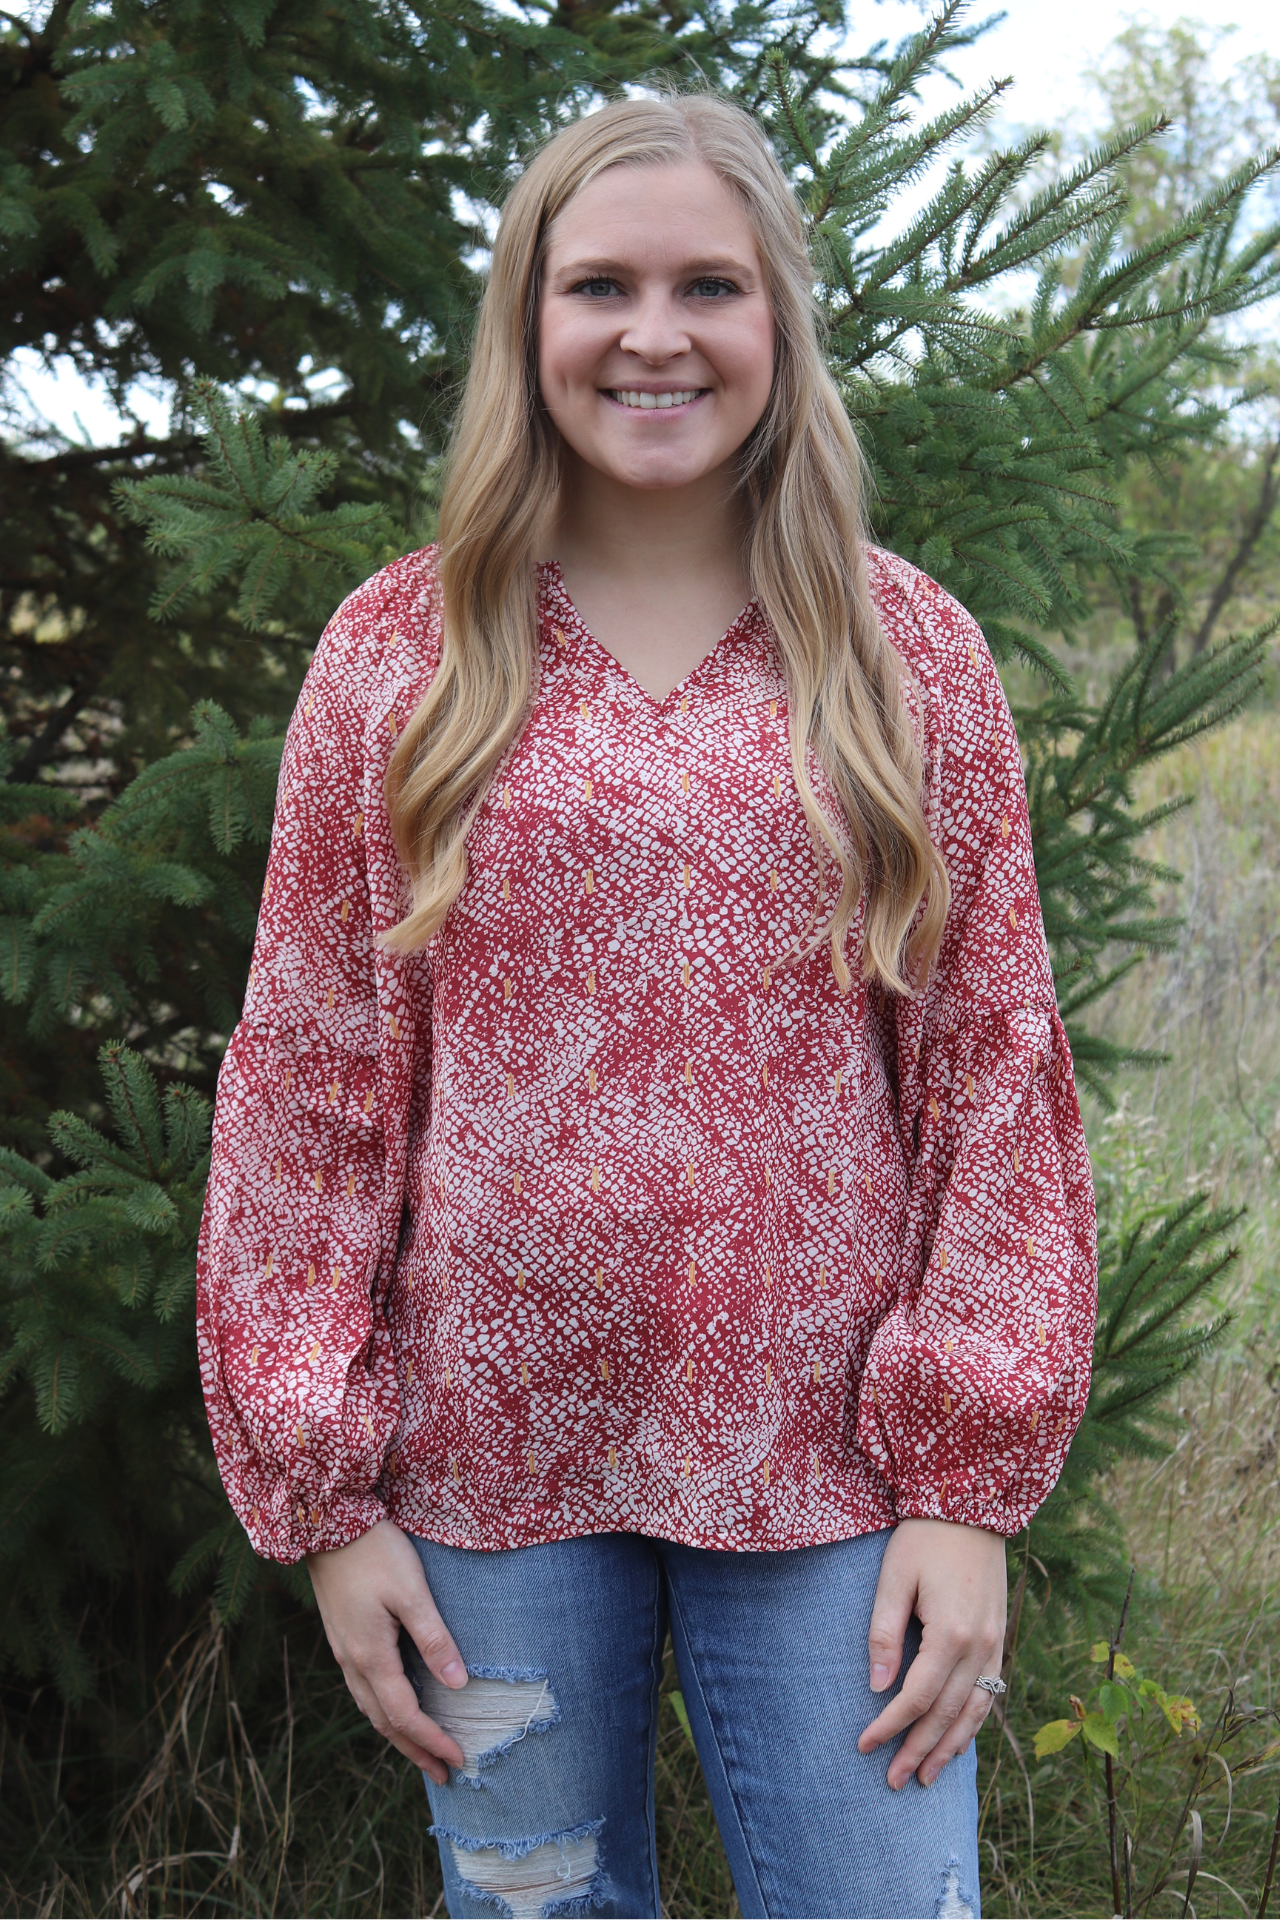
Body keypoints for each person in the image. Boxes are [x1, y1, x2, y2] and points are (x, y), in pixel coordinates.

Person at [196, 91, 1098, 1920]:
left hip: (838, 1469)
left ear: (780, 322)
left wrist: (969, 1486)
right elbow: (309, 1072)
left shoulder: (901, 649)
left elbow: (992, 1062)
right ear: (530, 327)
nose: (656, 334)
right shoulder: (404, 653)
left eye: (711, 285)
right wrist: (328, 1492)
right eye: (601, 285)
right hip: (485, 1471)